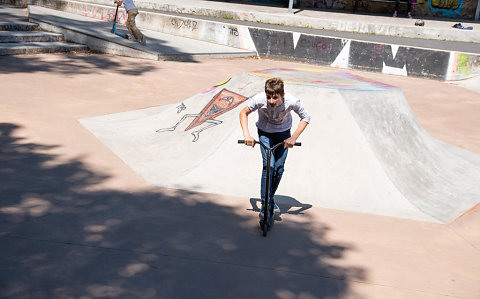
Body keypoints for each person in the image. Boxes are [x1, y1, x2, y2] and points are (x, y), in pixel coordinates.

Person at [239, 78, 310, 218]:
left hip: (284, 134)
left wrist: (293, 137)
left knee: (279, 168)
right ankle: (266, 204)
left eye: (275, 98)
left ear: (282, 95)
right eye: (269, 97)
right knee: (268, 166)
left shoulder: (292, 101)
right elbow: (243, 113)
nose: (271, 101)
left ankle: (270, 199)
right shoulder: (259, 99)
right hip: (265, 133)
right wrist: (247, 135)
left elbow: (306, 117)